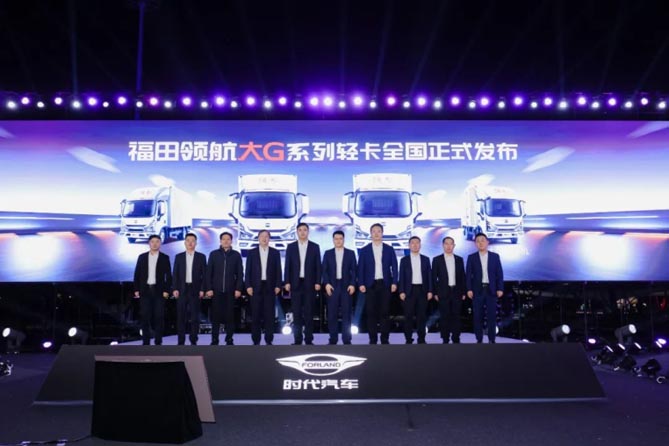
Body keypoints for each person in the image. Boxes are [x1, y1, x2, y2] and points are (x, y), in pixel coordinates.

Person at [357, 223, 398, 344]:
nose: (376, 234)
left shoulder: (389, 249)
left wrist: (394, 282)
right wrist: (361, 283)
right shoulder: (364, 250)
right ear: (370, 233)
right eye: (374, 231)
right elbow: (360, 268)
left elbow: (395, 267)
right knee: (371, 313)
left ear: (382, 233)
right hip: (370, 285)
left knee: (385, 312)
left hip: (385, 284)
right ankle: (373, 339)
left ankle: (385, 339)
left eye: (379, 231)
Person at [284, 223, 322, 345]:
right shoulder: (291, 247)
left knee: (309, 313)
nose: (302, 232)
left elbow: (318, 266)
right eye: (300, 230)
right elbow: (287, 265)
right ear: (297, 232)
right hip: (295, 283)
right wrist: (287, 281)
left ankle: (309, 339)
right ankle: (297, 339)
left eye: (305, 230)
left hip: (310, 283)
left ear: (308, 232)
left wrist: (318, 281)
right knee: (297, 313)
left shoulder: (314, 247)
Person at [204, 232, 243, 345]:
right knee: (215, 316)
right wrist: (209, 288)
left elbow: (240, 273)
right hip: (216, 291)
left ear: (231, 241)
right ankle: (214, 339)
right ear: (220, 241)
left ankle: (229, 338)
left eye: (228, 239)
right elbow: (208, 273)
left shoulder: (236, 255)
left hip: (231, 291)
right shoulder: (214, 254)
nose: (226, 241)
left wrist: (238, 288)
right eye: (223, 239)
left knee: (230, 316)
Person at [244, 230, 282, 345]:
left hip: (270, 287)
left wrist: (278, 285)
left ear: (269, 238)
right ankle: (256, 340)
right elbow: (248, 271)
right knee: (255, 315)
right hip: (255, 287)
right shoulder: (252, 253)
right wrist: (248, 286)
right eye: (262, 236)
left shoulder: (275, 252)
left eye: (266, 236)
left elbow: (278, 270)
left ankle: (269, 340)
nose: (264, 238)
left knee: (269, 315)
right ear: (258, 238)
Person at [133, 235, 172, 345]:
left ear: (160, 243)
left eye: (157, 241)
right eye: (152, 242)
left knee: (159, 316)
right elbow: (137, 274)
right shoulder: (142, 257)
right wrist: (136, 289)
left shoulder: (165, 258)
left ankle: (158, 341)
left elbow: (169, 276)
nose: (155, 244)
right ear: (149, 243)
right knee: (145, 316)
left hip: (159, 291)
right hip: (145, 291)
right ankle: (146, 341)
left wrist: (167, 290)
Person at [466, 233, 504, 343]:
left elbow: (499, 273)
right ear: (475, 244)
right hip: (477, 290)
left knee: (492, 316)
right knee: (478, 316)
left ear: (487, 242)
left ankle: (492, 339)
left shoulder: (495, 256)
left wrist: (500, 288)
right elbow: (468, 275)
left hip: (491, 290)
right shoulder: (472, 257)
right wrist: (469, 289)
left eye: (482, 240)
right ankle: (479, 339)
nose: (480, 243)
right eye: (478, 241)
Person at [321, 230, 357, 345]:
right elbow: (324, 270)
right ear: (333, 240)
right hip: (332, 286)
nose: (338, 241)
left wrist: (352, 284)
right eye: (336, 239)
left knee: (347, 314)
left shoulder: (350, 253)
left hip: (346, 286)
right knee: (332, 314)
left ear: (344, 240)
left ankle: (347, 339)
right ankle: (333, 339)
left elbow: (354, 271)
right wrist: (326, 284)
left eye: (340, 239)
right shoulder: (328, 253)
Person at [172, 233, 207, 345]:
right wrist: (175, 288)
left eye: (193, 241)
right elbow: (175, 274)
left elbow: (204, 275)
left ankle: (193, 339)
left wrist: (202, 289)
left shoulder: (201, 257)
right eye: (188, 240)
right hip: (182, 289)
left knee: (195, 317)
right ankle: (181, 340)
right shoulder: (179, 256)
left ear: (196, 243)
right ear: (185, 243)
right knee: (181, 316)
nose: (190, 243)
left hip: (195, 289)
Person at [398, 236, 432, 344]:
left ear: (420, 245)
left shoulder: (426, 259)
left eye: (417, 243)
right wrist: (401, 291)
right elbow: (401, 276)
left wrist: (430, 290)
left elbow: (429, 276)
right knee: (408, 316)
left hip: (422, 290)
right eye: (412, 243)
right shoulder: (404, 260)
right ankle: (408, 338)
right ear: (409, 245)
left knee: (422, 316)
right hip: (409, 291)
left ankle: (421, 338)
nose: (415, 245)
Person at [432, 236, 466, 344]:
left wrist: (464, 291)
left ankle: (456, 338)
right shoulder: (437, 260)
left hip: (457, 292)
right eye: (446, 244)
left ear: (454, 245)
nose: (448, 246)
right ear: (443, 245)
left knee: (456, 316)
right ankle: (445, 338)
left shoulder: (459, 259)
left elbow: (462, 276)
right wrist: (435, 292)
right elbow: (433, 278)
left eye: (451, 244)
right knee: (444, 316)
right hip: (443, 292)